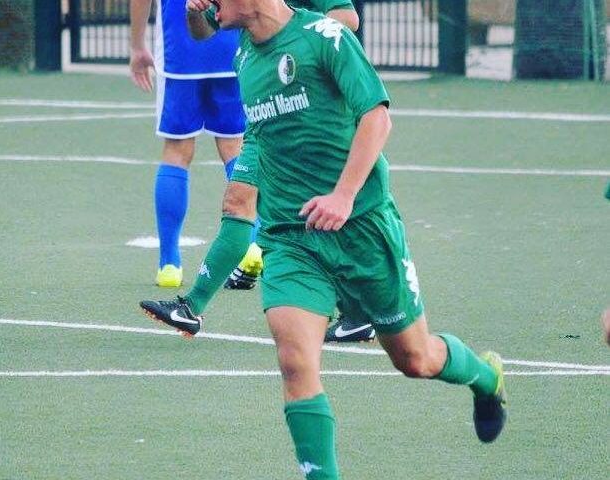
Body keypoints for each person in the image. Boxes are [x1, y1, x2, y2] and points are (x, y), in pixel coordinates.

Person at [144, 0, 509, 477]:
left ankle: (485, 378)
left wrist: (343, 194)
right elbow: (198, 30)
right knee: (295, 362)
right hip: (292, 239)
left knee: (416, 358)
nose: (204, 2)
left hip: (363, 229)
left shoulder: (325, 38)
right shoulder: (243, 56)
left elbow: (377, 117)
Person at [140, 0, 375, 343]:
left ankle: (357, 311)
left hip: (303, 108)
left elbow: (347, 18)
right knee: (238, 202)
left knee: (306, 213)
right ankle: (191, 307)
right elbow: (203, 30)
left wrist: (292, 38)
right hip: (264, 104)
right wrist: (194, 12)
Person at [130, 0, 261, 288]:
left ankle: (169, 264)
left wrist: (137, 45)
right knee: (235, 146)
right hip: (230, 40)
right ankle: (251, 243)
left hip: (181, 47)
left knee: (177, 150)